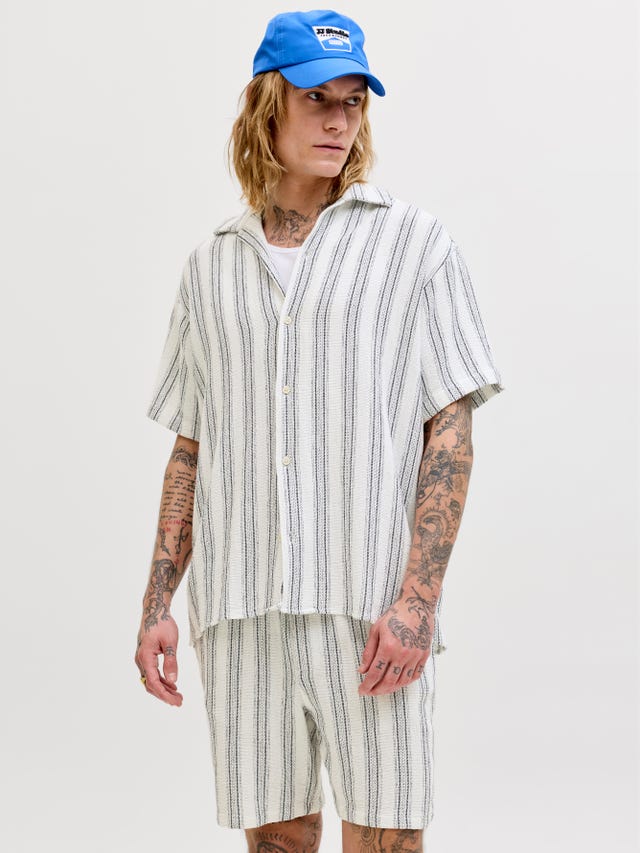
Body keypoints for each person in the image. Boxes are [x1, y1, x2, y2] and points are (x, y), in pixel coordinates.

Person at [135, 9, 505, 852]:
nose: (340, 120)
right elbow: (191, 444)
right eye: (317, 99)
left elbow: (450, 430)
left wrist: (417, 601)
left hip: (368, 608)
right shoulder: (210, 267)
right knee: (275, 839)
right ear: (267, 106)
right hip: (243, 609)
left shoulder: (415, 247)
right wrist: (156, 602)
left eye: (354, 102)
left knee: (387, 835)